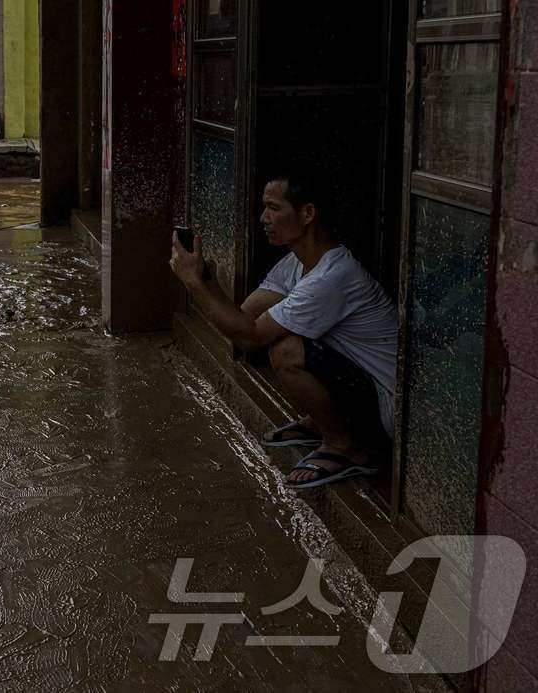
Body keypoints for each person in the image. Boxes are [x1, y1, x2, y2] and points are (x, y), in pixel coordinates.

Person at [168, 172, 398, 491]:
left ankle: (346, 446)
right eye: (265, 208)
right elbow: (244, 319)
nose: (264, 218)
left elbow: (252, 335)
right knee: (284, 339)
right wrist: (208, 284)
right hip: (359, 385)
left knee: (286, 350)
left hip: (387, 409)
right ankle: (324, 422)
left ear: (307, 214)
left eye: (274, 208)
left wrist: (194, 285)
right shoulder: (298, 262)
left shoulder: (331, 277)